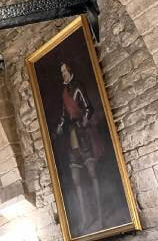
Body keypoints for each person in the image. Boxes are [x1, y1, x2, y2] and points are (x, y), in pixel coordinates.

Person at [54, 62, 106, 233]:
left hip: (83, 134)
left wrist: (84, 121)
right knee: (76, 180)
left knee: (92, 175)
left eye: (64, 71)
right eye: (61, 72)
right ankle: (85, 218)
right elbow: (63, 114)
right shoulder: (63, 93)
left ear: (70, 70)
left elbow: (89, 108)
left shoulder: (77, 87)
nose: (63, 74)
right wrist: (60, 127)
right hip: (72, 137)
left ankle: (100, 216)